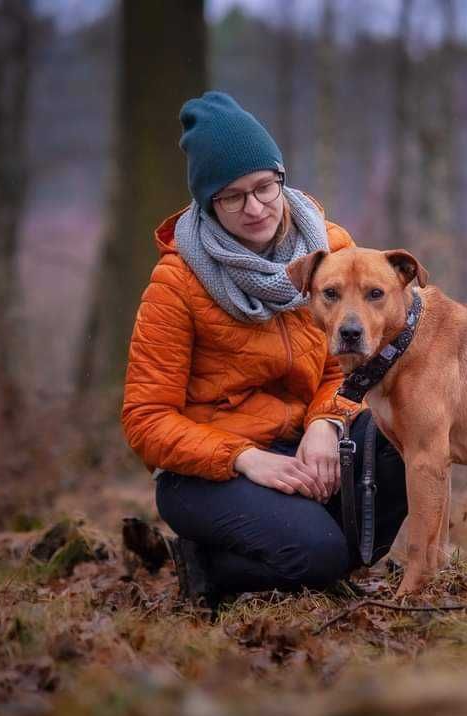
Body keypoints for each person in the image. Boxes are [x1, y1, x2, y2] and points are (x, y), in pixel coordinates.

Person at [121, 92, 408, 606]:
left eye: (263, 187)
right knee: (319, 554)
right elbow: (145, 418)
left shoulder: (332, 250)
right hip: (208, 471)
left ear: (281, 178)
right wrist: (243, 459)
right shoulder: (176, 283)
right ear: (208, 203)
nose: (254, 208)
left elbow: (347, 366)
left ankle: (320, 552)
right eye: (232, 197)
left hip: (306, 443)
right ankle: (206, 564)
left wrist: (327, 422)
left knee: (403, 436)